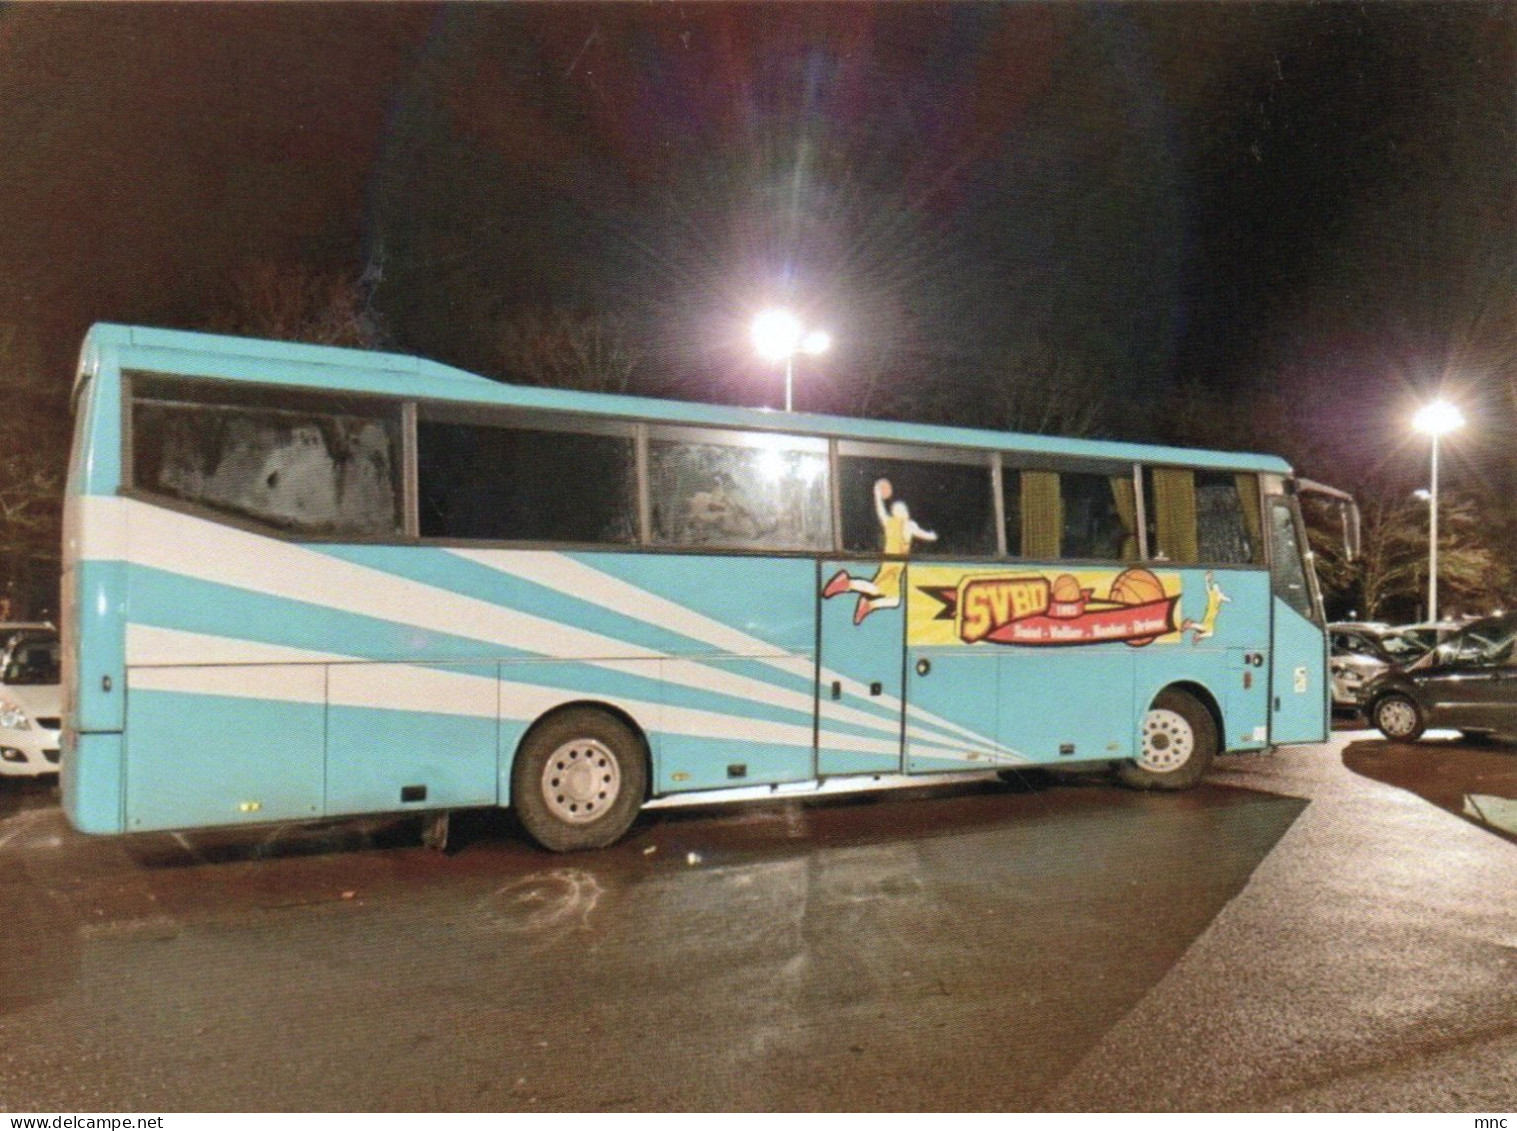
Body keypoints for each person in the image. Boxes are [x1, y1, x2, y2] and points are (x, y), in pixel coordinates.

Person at [822, 478, 937, 624]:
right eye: (903, 509)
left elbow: (881, 510)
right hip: (894, 566)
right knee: (884, 594)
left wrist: (877, 494)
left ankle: (862, 599)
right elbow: (922, 533)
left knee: (892, 599)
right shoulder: (908, 524)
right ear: (900, 512)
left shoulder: (890, 523)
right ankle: (848, 585)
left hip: (892, 564)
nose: (905, 511)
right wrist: (932, 535)